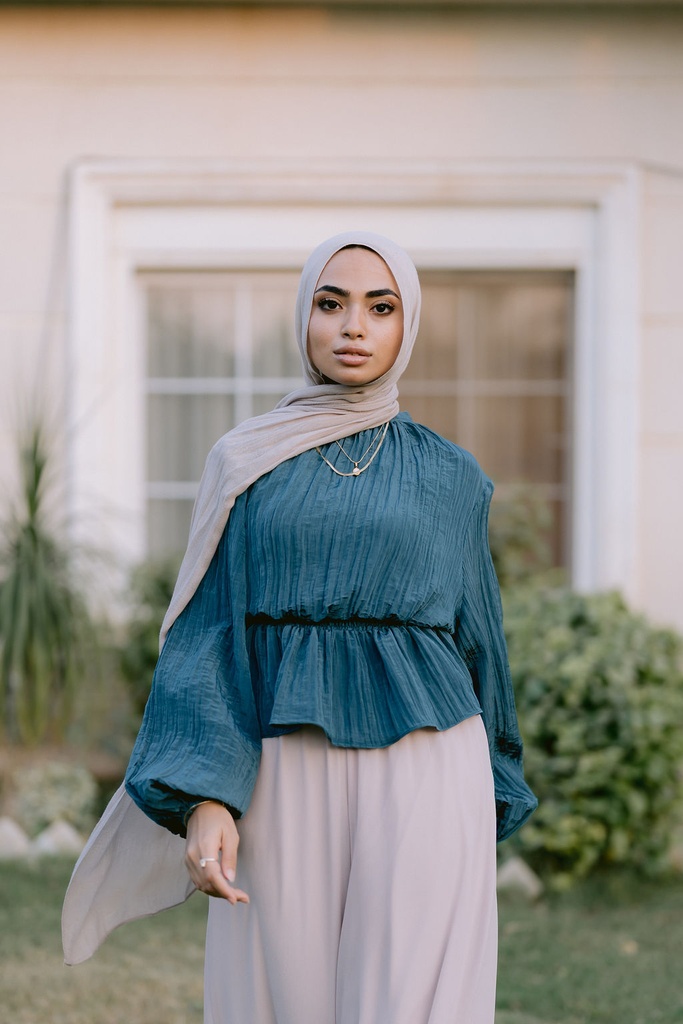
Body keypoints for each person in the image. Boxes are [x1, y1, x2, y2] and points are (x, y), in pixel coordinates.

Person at [63, 231, 537, 1024]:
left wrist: (486, 793)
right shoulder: (245, 462)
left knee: (415, 1002)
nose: (354, 326)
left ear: (405, 323)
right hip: (283, 771)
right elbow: (210, 635)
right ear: (305, 317)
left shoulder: (452, 475)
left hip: (429, 768)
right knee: (280, 997)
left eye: (379, 308)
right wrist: (204, 799)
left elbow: (478, 640)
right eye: (331, 302)